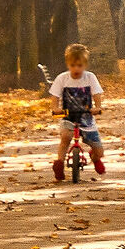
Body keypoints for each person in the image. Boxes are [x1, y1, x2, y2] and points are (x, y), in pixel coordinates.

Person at [47, 42, 106, 179]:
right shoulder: (62, 79)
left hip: (87, 118)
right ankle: (59, 164)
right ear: (68, 64)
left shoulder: (90, 77)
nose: (76, 69)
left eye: (80, 65)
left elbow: (96, 94)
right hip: (68, 116)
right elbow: (55, 96)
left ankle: (95, 158)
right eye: (72, 65)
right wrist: (55, 109)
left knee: (99, 151)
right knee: (66, 137)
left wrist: (97, 107)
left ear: (85, 65)